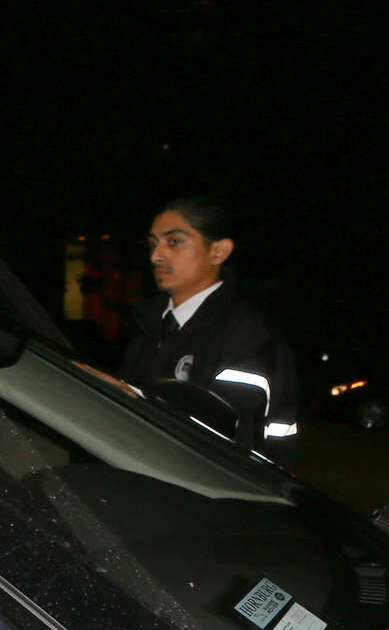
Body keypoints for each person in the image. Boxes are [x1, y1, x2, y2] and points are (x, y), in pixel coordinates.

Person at [119, 196, 297, 458]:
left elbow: (230, 439)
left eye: (174, 242)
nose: (156, 256)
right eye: (153, 244)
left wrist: (128, 395)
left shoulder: (246, 332)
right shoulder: (149, 326)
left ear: (219, 252)